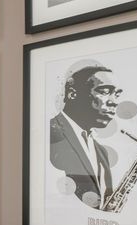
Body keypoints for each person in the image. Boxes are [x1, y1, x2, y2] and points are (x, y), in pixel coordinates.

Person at [48, 64, 120, 209]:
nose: (114, 101)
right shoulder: (50, 132)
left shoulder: (101, 151)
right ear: (72, 94)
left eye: (117, 94)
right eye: (105, 91)